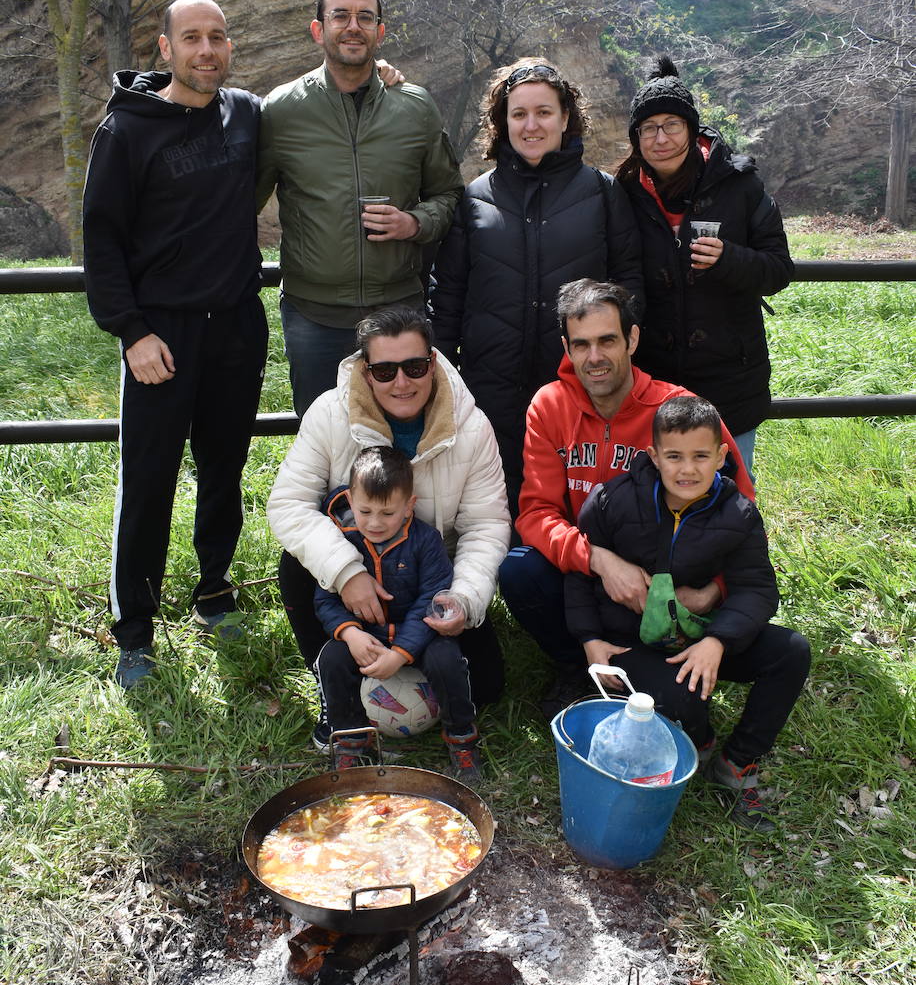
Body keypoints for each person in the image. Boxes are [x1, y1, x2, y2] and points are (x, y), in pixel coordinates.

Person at [82, 0, 268, 689]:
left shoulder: (244, 112)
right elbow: (100, 238)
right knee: (150, 482)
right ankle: (135, 630)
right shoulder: (126, 132)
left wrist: (384, 76)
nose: (206, 50)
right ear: (164, 48)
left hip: (236, 327)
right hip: (160, 334)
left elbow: (321, 106)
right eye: (191, 37)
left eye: (218, 36)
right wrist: (131, 332)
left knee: (224, 472)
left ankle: (213, 592)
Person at [499, 278, 754, 715]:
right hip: (587, 575)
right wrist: (598, 559)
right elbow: (535, 513)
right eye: (580, 345)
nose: (594, 358)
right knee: (519, 570)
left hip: (671, 581)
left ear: (632, 339)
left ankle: (652, 667)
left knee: (683, 704)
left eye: (607, 341)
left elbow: (742, 510)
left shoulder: (679, 410)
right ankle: (579, 666)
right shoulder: (549, 406)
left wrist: (715, 589)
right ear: (566, 346)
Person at [565, 396, 810, 832]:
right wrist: (589, 639)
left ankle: (736, 762)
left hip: (700, 635)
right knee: (685, 697)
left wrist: (718, 640)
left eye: (701, 456)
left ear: (721, 455)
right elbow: (579, 575)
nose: (687, 469)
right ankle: (698, 740)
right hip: (631, 641)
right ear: (653, 456)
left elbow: (757, 588)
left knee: (791, 652)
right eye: (674, 456)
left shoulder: (739, 514)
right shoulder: (610, 503)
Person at [267, 306, 510, 745]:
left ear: (433, 363)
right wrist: (347, 573)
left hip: (432, 579)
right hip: (357, 585)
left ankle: (419, 675)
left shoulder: (471, 428)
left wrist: (463, 599)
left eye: (415, 367)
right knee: (296, 566)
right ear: (365, 370)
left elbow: (486, 525)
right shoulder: (329, 414)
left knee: (488, 686)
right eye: (384, 370)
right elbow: (288, 505)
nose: (402, 383)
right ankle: (334, 685)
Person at [429, 57, 643, 514]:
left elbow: (630, 283)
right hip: (491, 384)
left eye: (544, 112)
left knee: (579, 506)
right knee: (494, 509)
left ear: (566, 118)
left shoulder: (603, 194)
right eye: (518, 113)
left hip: (580, 383)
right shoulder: (476, 198)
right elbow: (448, 294)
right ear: (501, 122)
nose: (531, 125)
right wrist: (442, 375)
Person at [256, 0, 464, 417]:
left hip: (399, 313)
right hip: (314, 316)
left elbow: (449, 196)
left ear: (380, 31)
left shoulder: (414, 106)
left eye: (365, 17)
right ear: (319, 29)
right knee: (323, 440)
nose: (353, 26)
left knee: (404, 441)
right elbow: (241, 203)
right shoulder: (281, 110)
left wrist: (414, 222)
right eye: (340, 16)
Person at [617, 56, 793, 474]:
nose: (660, 138)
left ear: (692, 129)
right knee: (657, 497)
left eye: (672, 125)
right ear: (636, 137)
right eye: (648, 128)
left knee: (730, 498)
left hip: (729, 377)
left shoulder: (741, 185)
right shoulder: (623, 193)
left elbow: (778, 270)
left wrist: (729, 258)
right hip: (653, 378)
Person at [313, 446, 483, 782]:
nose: (375, 523)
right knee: (332, 658)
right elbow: (325, 597)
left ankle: (461, 737)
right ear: (350, 500)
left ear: (409, 506)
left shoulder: (426, 541)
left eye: (387, 513)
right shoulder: (340, 541)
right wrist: (350, 633)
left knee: (446, 660)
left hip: (419, 635)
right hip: (366, 637)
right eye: (365, 511)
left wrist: (401, 652)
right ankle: (349, 740)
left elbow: (429, 600)